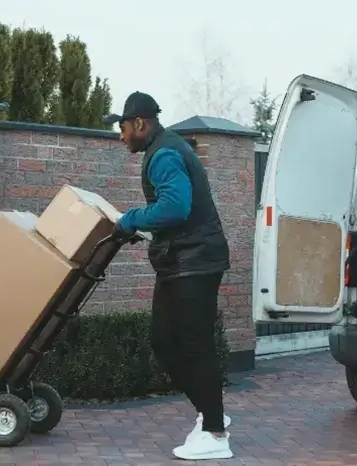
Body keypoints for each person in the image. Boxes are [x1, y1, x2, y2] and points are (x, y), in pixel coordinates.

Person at [103, 92, 233, 460]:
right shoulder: (163, 149)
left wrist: (130, 220)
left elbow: (176, 207)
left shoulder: (163, 154)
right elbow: (174, 211)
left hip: (196, 262)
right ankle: (213, 414)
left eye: (123, 127)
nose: (121, 135)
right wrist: (141, 227)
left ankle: (215, 433)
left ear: (140, 123)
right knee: (164, 342)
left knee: (195, 346)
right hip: (181, 262)